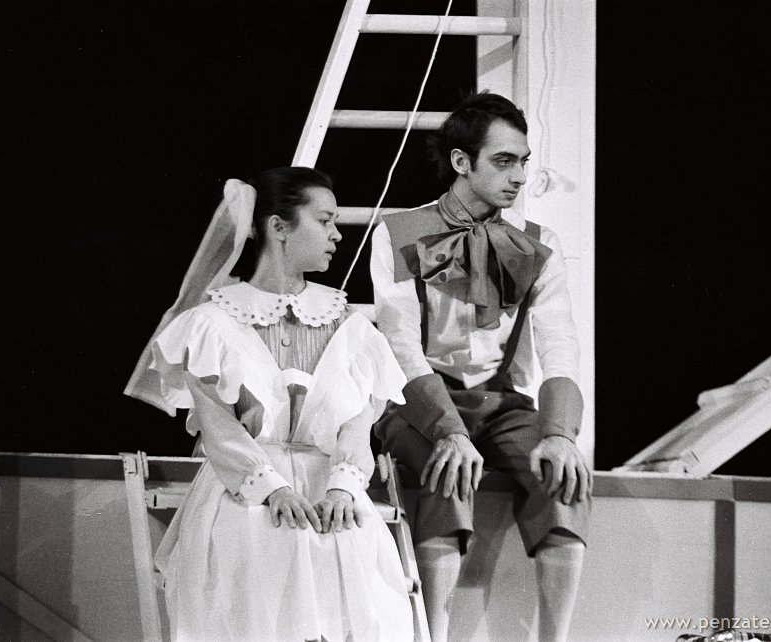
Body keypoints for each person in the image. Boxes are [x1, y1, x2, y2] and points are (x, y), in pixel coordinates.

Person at [125, 167, 414, 642]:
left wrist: (344, 487)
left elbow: (359, 425)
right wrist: (272, 490)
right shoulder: (211, 325)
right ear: (279, 227)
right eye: (324, 221)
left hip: (330, 492)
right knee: (257, 562)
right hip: (244, 492)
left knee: (356, 581)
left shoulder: (350, 326)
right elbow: (220, 430)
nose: (337, 235)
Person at [370, 92, 592, 642]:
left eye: (523, 161)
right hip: (417, 404)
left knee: (562, 476)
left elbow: (560, 343)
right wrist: (448, 429)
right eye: (503, 161)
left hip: (501, 402)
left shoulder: (538, 245)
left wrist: (560, 433)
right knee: (445, 471)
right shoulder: (398, 233)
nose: (519, 176)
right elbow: (400, 344)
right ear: (461, 162)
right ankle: (434, 636)